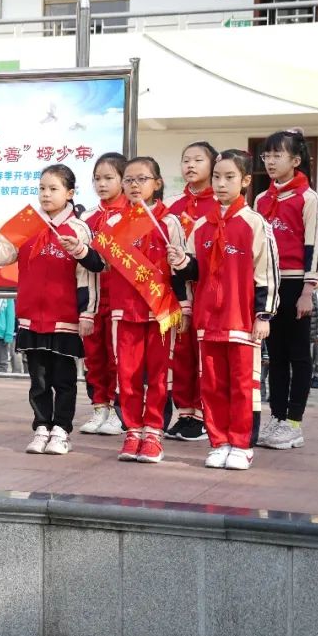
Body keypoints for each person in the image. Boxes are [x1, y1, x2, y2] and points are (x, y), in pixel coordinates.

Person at [0, 164, 98, 455]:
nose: (46, 194)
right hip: (31, 317)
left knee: (64, 379)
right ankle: (41, 428)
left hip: (65, 318)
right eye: (42, 188)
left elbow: (90, 274)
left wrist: (87, 313)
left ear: (70, 193)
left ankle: (61, 430)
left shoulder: (79, 229)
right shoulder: (27, 223)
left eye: (53, 189)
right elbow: (1, 255)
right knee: (39, 379)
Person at [169, 149, 280, 470]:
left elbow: (267, 273)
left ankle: (242, 443)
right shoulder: (202, 225)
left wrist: (264, 315)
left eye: (229, 177)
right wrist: (182, 262)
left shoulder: (254, 223)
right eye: (217, 176)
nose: (220, 183)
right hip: (208, 321)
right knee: (212, 385)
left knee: (243, 386)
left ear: (245, 181)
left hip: (242, 320)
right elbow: (193, 270)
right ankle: (219, 442)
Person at [104, 157, 188, 464]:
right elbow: (101, 263)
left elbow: (181, 270)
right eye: (128, 180)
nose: (135, 185)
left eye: (142, 179)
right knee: (126, 375)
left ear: (157, 183)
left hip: (161, 311)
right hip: (124, 311)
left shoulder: (169, 221)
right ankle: (132, 430)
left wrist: (185, 307)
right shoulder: (113, 222)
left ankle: (153, 431)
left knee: (157, 375)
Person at [253, 129, 318, 450]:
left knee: (298, 355)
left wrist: (309, 288)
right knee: (275, 355)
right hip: (270, 283)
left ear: (295, 161)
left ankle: (294, 423)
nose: (269, 161)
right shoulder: (261, 199)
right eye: (266, 155)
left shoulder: (308, 197)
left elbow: (313, 245)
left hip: (296, 283)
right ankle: (277, 418)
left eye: (277, 155)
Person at [165, 141, 219, 442]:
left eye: (198, 159)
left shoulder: (220, 205)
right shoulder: (173, 205)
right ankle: (184, 413)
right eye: (186, 159)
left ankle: (201, 416)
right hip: (176, 290)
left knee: (204, 356)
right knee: (180, 354)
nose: (190, 165)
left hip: (207, 289)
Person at [77, 152, 128, 436]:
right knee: (93, 357)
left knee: (117, 358)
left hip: (120, 300)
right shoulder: (89, 219)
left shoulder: (132, 216)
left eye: (109, 178)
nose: (102, 184)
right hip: (94, 301)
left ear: (123, 179)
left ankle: (120, 412)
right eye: (97, 178)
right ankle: (100, 407)